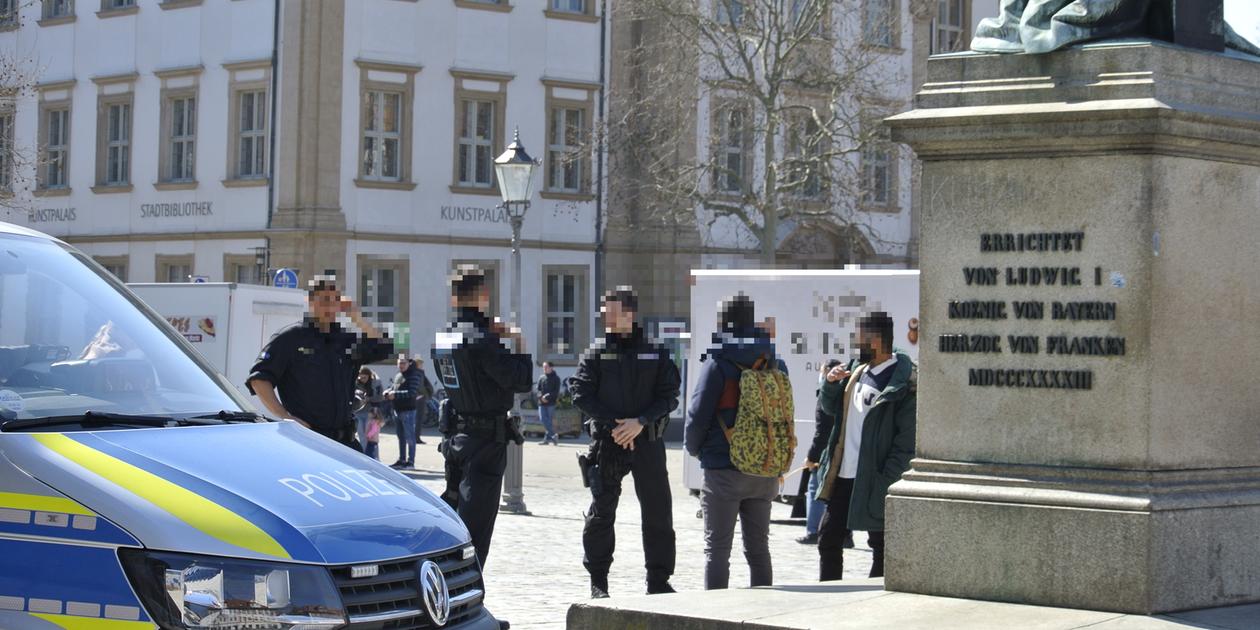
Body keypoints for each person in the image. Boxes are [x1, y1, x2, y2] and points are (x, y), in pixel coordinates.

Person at [570, 287, 681, 599]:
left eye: (613, 311)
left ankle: (658, 581)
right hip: (610, 441)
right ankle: (599, 581)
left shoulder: (654, 351)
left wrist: (640, 422)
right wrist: (616, 424)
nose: (606, 316)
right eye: (605, 311)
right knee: (601, 513)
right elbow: (581, 393)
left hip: (647, 440)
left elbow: (669, 394)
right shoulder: (597, 351)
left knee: (658, 513)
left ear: (630, 313)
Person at [432, 265, 533, 571]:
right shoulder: (483, 339)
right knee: (477, 531)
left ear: (454, 298)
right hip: (486, 442)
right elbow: (520, 381)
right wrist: (519, 344)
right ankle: (468, 601)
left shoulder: (443, 338)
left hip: (455, 439)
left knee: (454, 521)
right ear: (483, 295)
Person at [685, 294, 786, 590]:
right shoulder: (772, 361)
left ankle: (717, 617)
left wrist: (696, 450)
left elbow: (698, 414)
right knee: (758, 550)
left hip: (724, 468)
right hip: (764, 471)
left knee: (717, 550)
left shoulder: (719, 362)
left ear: (723, 322)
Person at [814, 311, 917, 581]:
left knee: (881, 546)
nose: (856, 345)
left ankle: (874, 606)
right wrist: (831, 385)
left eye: (860, 339)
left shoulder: (901, 382)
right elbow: (830, 410)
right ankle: (829, 598)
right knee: (828, 539)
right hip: (844, 471)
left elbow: (906, 442)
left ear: (877, 340)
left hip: (874, 476)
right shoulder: (857, 371)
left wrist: (886, 479)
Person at [247, 276, 393, 447]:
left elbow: (386, 347)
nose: (330, 306)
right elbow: (259, 379)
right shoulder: (291, 338)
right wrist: (285, 416)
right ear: (310, 301)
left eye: (335, 300)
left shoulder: (346, 339)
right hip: (307, 441)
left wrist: (358, 319)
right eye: (324, 300)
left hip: (345, 441)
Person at [799, 359, 853, 549]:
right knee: (842, 495)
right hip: (845, 452)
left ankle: (813, 531)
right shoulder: (848, 394)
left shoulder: (826, 398)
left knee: (815, 491)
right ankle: (846, 535)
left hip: (826, 454)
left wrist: (811, 457)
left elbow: (821, 432)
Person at [387, 353, 426, 468]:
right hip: (397, 409)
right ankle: (402, 459)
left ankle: (411, 462)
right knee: (401, 437)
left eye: (403, 363)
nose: (401, 365)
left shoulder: (413, 375)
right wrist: (388, 391)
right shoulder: (399, 375)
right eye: (399, 363)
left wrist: (395, 394)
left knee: (410, 437)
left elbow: (412, 392)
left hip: (408, 410)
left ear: (409, 363)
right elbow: (394, 388)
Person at [354, 367, 385, 459]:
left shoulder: (375, 384)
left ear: (369, 376)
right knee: (362, 436)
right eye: (360, 378)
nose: (362, 380)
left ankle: (375, 458)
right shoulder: (356, 383)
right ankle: (365, 457)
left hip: (371, 414)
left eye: (364, 378)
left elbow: (380, 397)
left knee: (372, 438)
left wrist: (369, 399)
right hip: (359, 412)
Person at [535, 361, 561, 445]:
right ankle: (553, 435)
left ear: (551, 368)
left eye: (546, 367)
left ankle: (546, 440)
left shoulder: (556, 378)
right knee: (543, 419)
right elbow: (537, 389)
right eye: (543, 367)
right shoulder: (541, 377)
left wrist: (547, 398)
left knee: (548, 421)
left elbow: (555, 392)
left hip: (551, 403)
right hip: (541, 403)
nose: (544, 369)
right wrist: (541, 397)